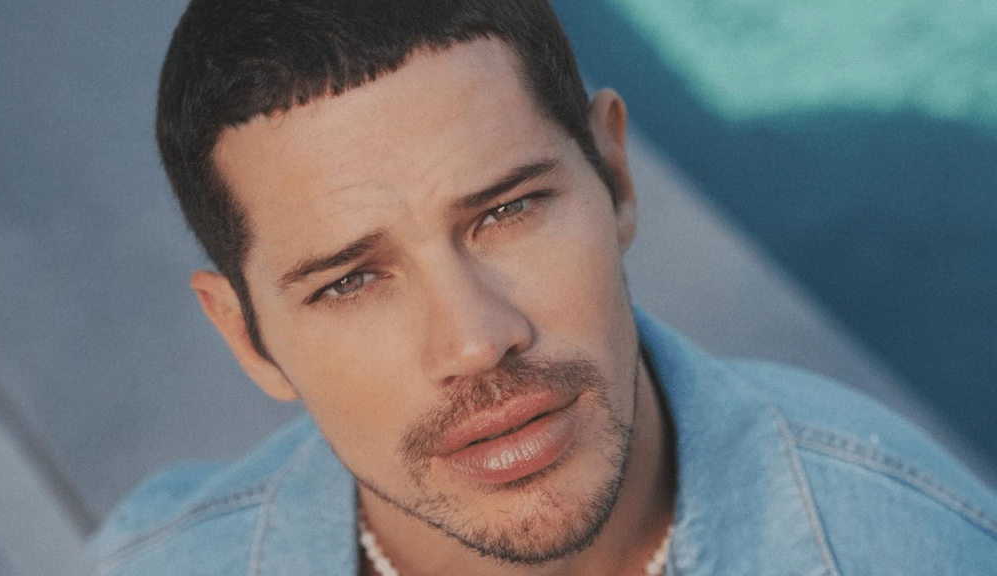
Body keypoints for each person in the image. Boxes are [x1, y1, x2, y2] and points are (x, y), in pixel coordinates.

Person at [87, 1, 997, 574]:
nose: (476, 340)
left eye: (507, 211)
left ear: (616, 176)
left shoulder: (914, 543)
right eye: (351, 280)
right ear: (245, 335)